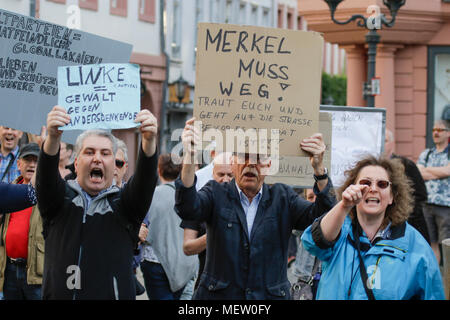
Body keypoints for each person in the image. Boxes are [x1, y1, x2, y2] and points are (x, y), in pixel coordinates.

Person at [175, 117, 336, 300]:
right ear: (233, 163)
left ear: (268, 166)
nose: (251, 163)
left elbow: (323, 217)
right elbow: (187, 208)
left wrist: (319, 169)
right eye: (244, 156)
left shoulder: (282, 198)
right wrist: (189, 155)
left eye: (258, 158)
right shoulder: (216, 193)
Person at [35, 105, 158, 300]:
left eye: (106, 153)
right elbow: (46, 178)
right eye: (89, 152)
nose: (97, 159)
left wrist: (149, 142)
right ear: (76, 163)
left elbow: (145, 180)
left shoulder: (125, 205)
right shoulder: (59, 200)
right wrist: (52, 138)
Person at [302, 155, 445, 300]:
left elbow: (433, 294)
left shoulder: (415, 245)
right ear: (352, 188)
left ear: (392, 197)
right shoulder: (338, 228)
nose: (373, 189)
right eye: (365, 183)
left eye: (382, 184)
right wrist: (344, 205)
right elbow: (312, 242)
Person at [140, 153, 198, 300]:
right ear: (180, 171)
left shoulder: (150, 196)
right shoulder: (189, 197)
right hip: (185, 263)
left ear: (159, 171)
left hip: (155, 262)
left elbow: (143, 229)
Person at [180, 152, 234, 292]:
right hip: (209, 286)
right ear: (213, 175)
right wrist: (212, 235)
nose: (226, 180)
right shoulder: (201, 202)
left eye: (230, 175)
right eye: (221, 174)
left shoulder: (248, 204)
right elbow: (187, 247)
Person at [0, 143, 43, 300]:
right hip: (9, 268)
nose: (32, 164)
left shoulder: (50, 194)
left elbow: (32, 193)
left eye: (36, 161)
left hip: (35, 271)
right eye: (27, 160)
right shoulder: (9, 190)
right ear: (19, 164)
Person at [384, 129, 430, 243]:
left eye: (385, 140)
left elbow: (420, 195)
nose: (381, 142)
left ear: (392, 143)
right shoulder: (368, 167)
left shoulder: (406, 165)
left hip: (406, 223)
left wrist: (402, 213)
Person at [416, 119, 450, 265]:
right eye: (434, 130)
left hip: (445, 205)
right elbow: (418, 173)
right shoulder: (427, 154)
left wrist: (428, 171)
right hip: (427, 204)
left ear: (448, 133)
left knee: (446, 244)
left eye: (440, 130)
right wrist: (440, 172)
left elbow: (448, 170)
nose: (436, 133)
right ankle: (437, 276)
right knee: (432, 243)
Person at [290, 188, 322, 300]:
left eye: (318, 197)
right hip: (305, 284)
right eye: (310, 197)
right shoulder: (302, 227)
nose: (314, 201)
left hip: (326, 284)